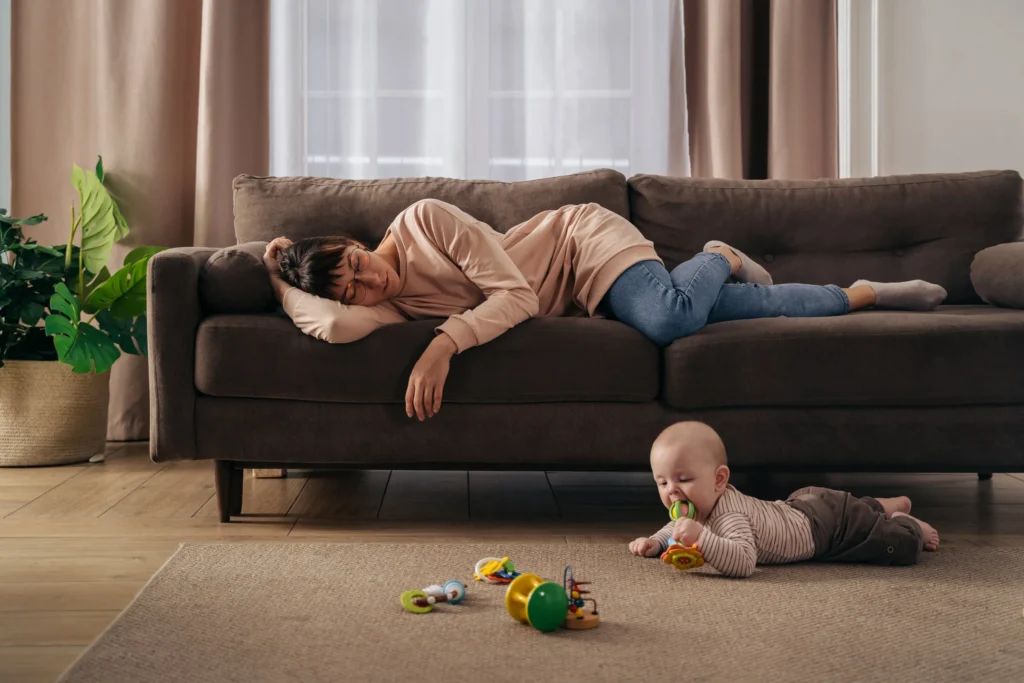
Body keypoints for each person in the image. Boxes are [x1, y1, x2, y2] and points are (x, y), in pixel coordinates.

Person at [262, 199, 947, 422]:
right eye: (350, 286)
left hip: (582, 246)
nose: (366, 282)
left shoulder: (424, 221)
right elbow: (333, 323)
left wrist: (443, 345)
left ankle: (719, 254)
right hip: (583, 294)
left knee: (671, 318)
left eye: (355, 263)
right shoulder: (381, 304)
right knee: (728, 315)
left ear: (356, 242)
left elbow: (519, 298)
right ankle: (862, 294)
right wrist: (276, 270)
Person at [628, 422, 940, 578]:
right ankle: (881, 504)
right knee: (856, 511)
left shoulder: (729, 517)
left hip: (827, 530)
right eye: (662, 481)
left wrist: (702, 539)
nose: (672, 490)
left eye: (683, 480)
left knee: (895, 547)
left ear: (719, 480)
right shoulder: (698, 507)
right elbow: (676, 525)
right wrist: (657, 542)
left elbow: (744, 562)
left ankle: (905, 522)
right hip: (803, 505)